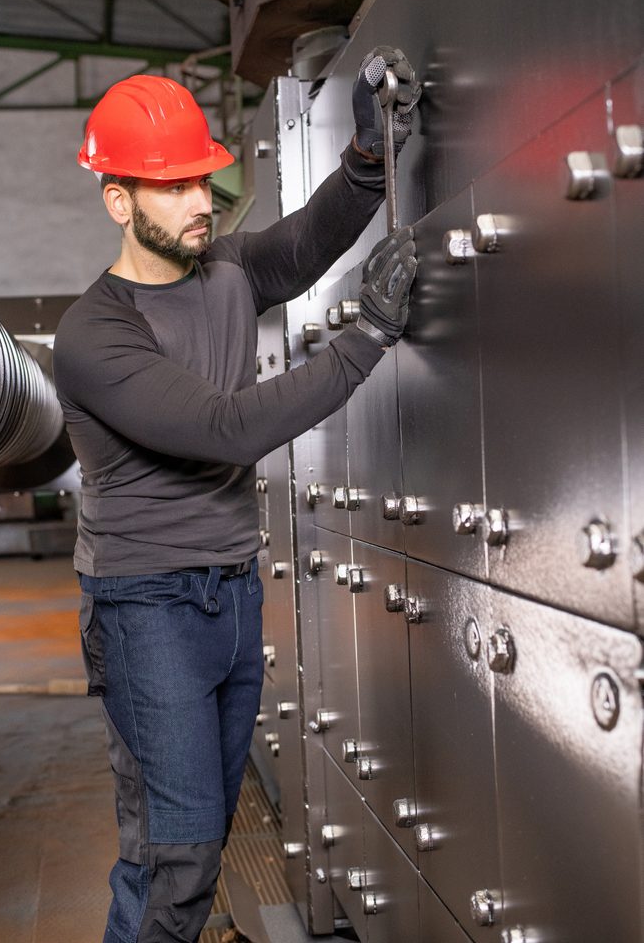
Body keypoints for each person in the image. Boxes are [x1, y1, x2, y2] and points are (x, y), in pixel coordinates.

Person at [52, 47, 421, 943]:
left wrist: (366, 163)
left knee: (203, 837)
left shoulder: (221, 271)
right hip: (147, 606)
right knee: (170, 854)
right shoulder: (93, 334)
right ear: (119, 201)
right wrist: (364, 337)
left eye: (201, 183)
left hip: (227, 590)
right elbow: (224, 429)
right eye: (171, 188)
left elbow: (299, 244)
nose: (197, 204)